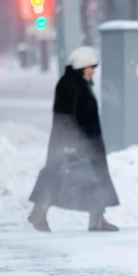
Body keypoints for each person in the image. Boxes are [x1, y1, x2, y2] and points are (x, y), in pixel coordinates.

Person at [27, 46, 119, 232]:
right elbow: (63, 116)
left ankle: (97, 219)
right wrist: (69, 144)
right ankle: (38, 214)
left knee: (96, 178)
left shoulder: (81, 83)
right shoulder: (68, 84)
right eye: (91, 66)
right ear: (81, 66)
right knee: (56, 177)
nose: (93, 70)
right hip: (71, 143)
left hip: (88, 143)